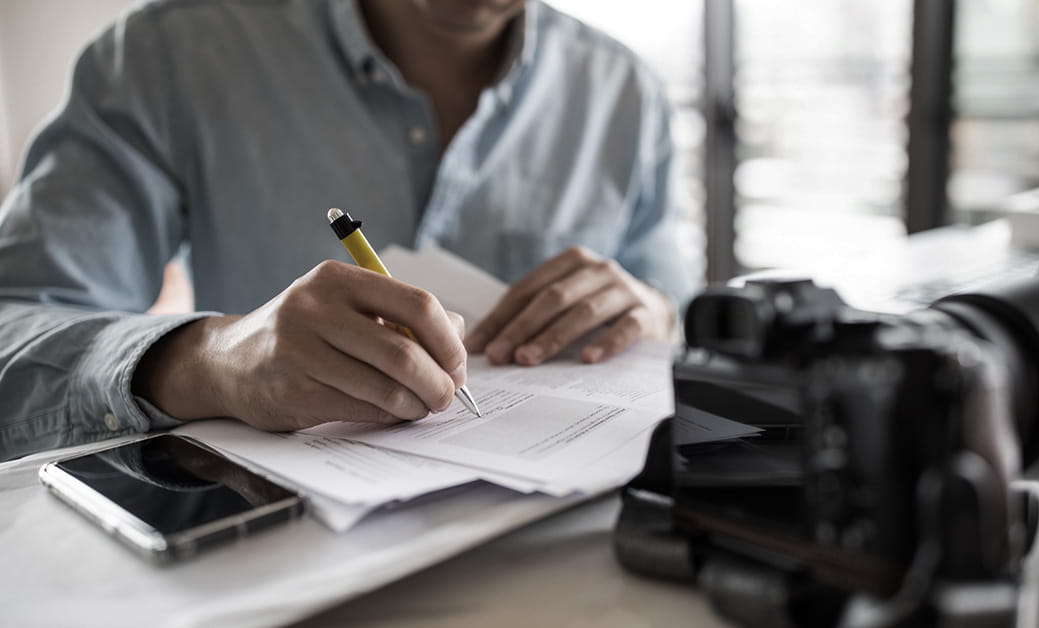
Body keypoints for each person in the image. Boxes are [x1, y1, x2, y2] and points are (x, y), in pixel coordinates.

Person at [0, 0, 696, 461]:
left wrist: (654, 311)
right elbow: (13, 330)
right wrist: (205, 359)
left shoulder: (624, 91)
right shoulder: (168, 54)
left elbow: (674, 311)